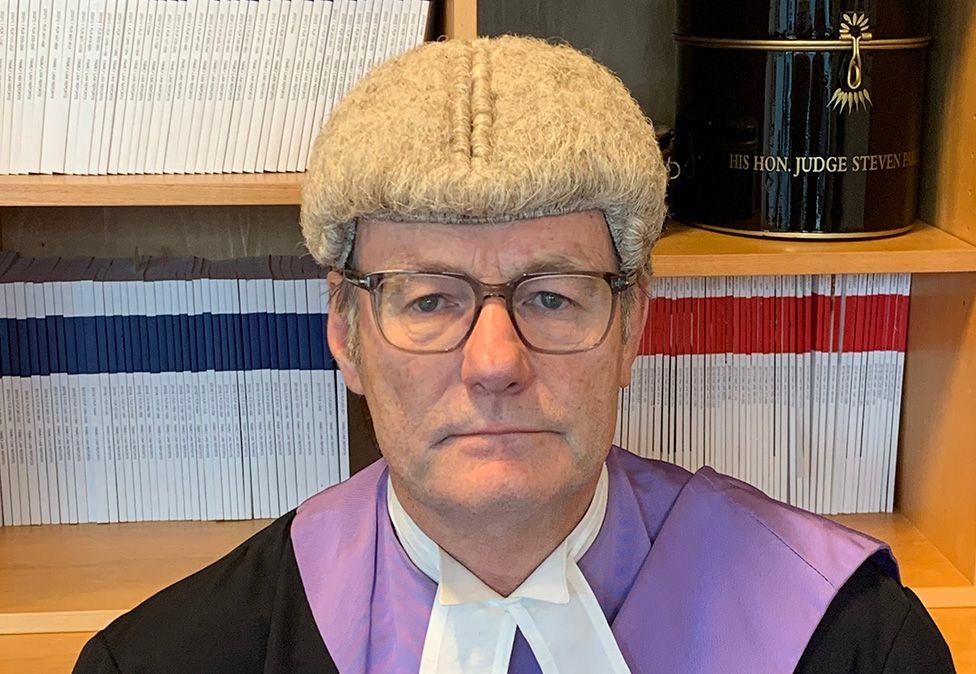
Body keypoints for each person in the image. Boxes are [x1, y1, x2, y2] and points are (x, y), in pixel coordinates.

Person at [74, 35, 954, 673]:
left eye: (550, 296)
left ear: (632, 326)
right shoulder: (169, 657)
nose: (495, 362)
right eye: (428, 299)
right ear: (345, 331)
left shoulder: (856, 644)